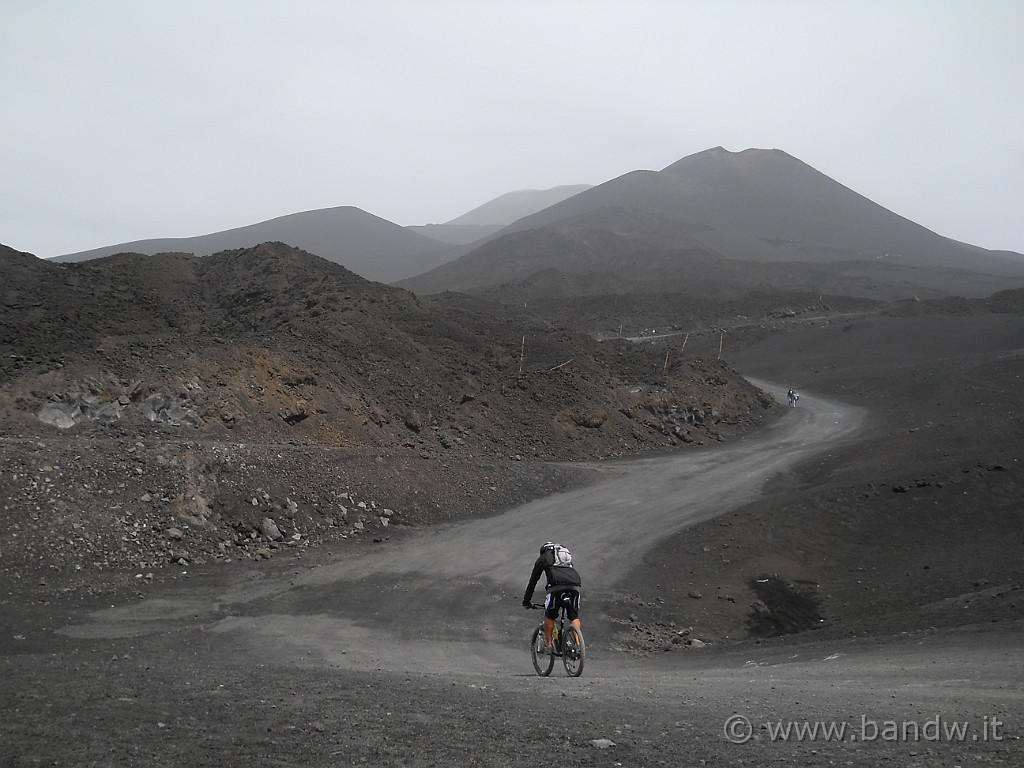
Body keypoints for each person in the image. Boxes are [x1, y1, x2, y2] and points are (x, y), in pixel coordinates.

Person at [522, 542, 582, 653]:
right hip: (575, 586)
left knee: (550, 616)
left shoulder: (543, 558)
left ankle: (548, 646)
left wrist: (527, 601)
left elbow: (533, 580)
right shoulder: (564, 557)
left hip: (556, 587)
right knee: (574, 617)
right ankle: (578, 646)